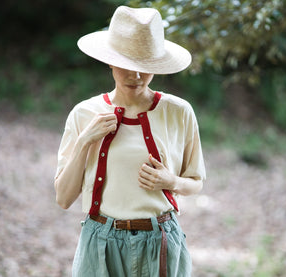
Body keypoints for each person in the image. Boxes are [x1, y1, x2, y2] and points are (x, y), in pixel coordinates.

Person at [54, 5, 206, 277]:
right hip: (99, 243)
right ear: (110, 60)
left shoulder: (179, 112)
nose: (135, 76)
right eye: (126, 64)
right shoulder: (83, 113)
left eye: (144, 66)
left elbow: (195, 183)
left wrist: (170, 182)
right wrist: (85, 141)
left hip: (160, 242)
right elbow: (64, 198)